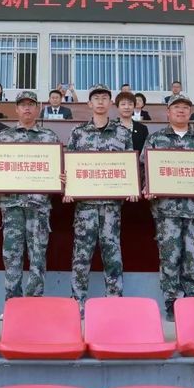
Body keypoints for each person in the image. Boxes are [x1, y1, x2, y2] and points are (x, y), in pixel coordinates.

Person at [142, 94, 194, 321]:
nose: (181, 111)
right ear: (168, 112)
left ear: (190, 112)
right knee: (170, 256)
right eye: (176, 107)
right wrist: (147, 186)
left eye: (185, 107)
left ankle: (193, 298)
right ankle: (172, 302)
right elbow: (145, 169)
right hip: (167, 210)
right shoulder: (156, 139)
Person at [65, 85, 136, 314]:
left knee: (112, 253)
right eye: (96, 98)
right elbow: (69, 165)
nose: (100, 101)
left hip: (111, 205)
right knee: (81, 255)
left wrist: (131, 186)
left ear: (110, 103)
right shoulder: (78, 132)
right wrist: (68, 186)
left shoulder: (122, 133)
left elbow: (130, 166)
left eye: (105, 98)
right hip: (85, 206)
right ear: (89, 104)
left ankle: (113, 301)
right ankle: (78, 302)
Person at [0, 91, 60, 301]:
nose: (27, 108)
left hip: (38, 205)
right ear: (16, 109)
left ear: (38, 108)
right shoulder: (4, 137)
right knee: (12, 255)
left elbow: (57, 168)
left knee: (38, 255)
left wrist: (60, 176)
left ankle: (33, 304)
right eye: (23, 104)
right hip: (12, 205)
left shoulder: (49, 137)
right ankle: (13, 303)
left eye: (31, 104)